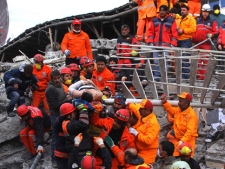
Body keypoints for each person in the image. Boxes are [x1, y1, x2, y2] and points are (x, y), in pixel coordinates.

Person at [160, 92, 198, 157]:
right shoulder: (179, 110)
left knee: (186, 158)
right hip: (178, 139)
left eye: (181, 101)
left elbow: (190, 131)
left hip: (188, 141)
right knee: (175, 155)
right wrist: (165, 102)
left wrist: (182, 141)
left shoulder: (191, 115)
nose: (178, 103)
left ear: (186, 103)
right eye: (179, 101)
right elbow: (172, 111)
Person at [45, 70, 71, 166]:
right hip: (56, 115)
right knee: (56, 137)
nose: (57, 80)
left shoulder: (60, 85)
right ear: (51, 78)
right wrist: (67, 100)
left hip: (63, 113)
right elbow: (55, 105)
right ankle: (54, 160)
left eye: (58, 78)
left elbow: (62, 97)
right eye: (55, 78)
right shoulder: (50, 89)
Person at [147, 5, 178, 80]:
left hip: (166, 46)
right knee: (156, 61)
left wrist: (173, 44)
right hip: (156, 45)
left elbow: (174, 33)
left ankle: (164, 77)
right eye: (160, 10)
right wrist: (150, 42)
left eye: (163, 10)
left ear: (166, 11)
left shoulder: (171, 21)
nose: (162, 12)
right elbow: (150, 32)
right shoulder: (154, 21)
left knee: (165, 62)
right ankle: (157, 77)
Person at [127, 99, 160, 164]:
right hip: (139, 151)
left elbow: (148, 140)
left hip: (147, 154)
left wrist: (136, 133)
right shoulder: (144, 115)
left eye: (141, 109)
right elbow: (136, 109)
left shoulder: (153, 124)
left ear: (147, 111)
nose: (139, 110)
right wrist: (128, 104)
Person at [192, 4, 218, 80]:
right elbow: (194, 31)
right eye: (204, 11)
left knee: (206, 61)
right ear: (202, 11)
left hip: (206, 44)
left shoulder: (213, 22)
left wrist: (211, 35)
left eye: (206, 11)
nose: (205, 13)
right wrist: (193, 39)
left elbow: (216, 32)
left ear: (209, 12)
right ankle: (200, 77)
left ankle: (205, 77)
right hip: (197, 44)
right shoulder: (197, 20)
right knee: (198, 61)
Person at [54, 103, 77, 168]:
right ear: (68, 115)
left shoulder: (59, 119)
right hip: (63, 152)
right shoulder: (66, 124)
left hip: (59, 151)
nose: (75, 113)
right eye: (74, 112)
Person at [176, 4, 196, 79]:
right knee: (178, 59)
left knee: (185, 59)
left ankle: (185, 77)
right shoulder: (179, 19)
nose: (182, 11)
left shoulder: (191, 19)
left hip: (186, 41)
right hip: (179, 40)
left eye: (184, 10)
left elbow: (193, 29)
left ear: (187, 11)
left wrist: (183, 30)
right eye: (181, 10)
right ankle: (179, 77)